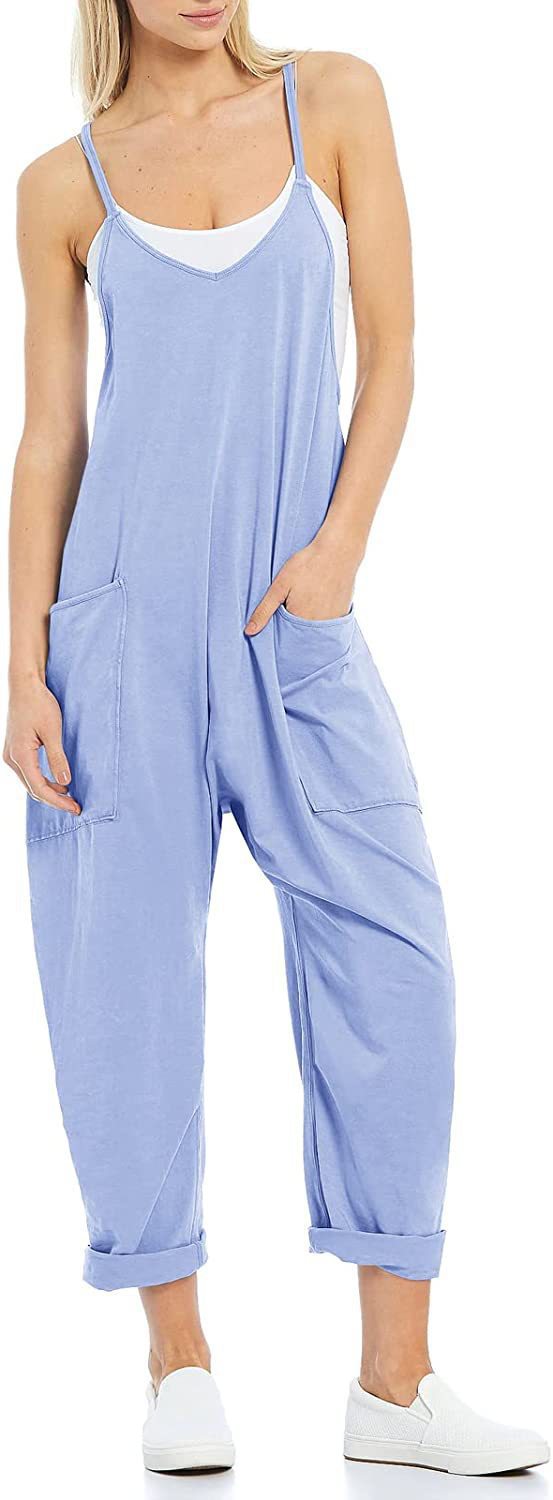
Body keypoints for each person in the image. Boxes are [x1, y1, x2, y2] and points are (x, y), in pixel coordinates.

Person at [4, 0, 548, 1477]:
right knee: (123, 992)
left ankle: (395, 1384)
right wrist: (25, 662)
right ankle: (175, 1360)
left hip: (289, 620)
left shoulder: (337, 101)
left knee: (396, 957)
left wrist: (337, 556)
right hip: (117, 632)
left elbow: (395, 349)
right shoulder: (61, 184)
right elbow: (51, 437)